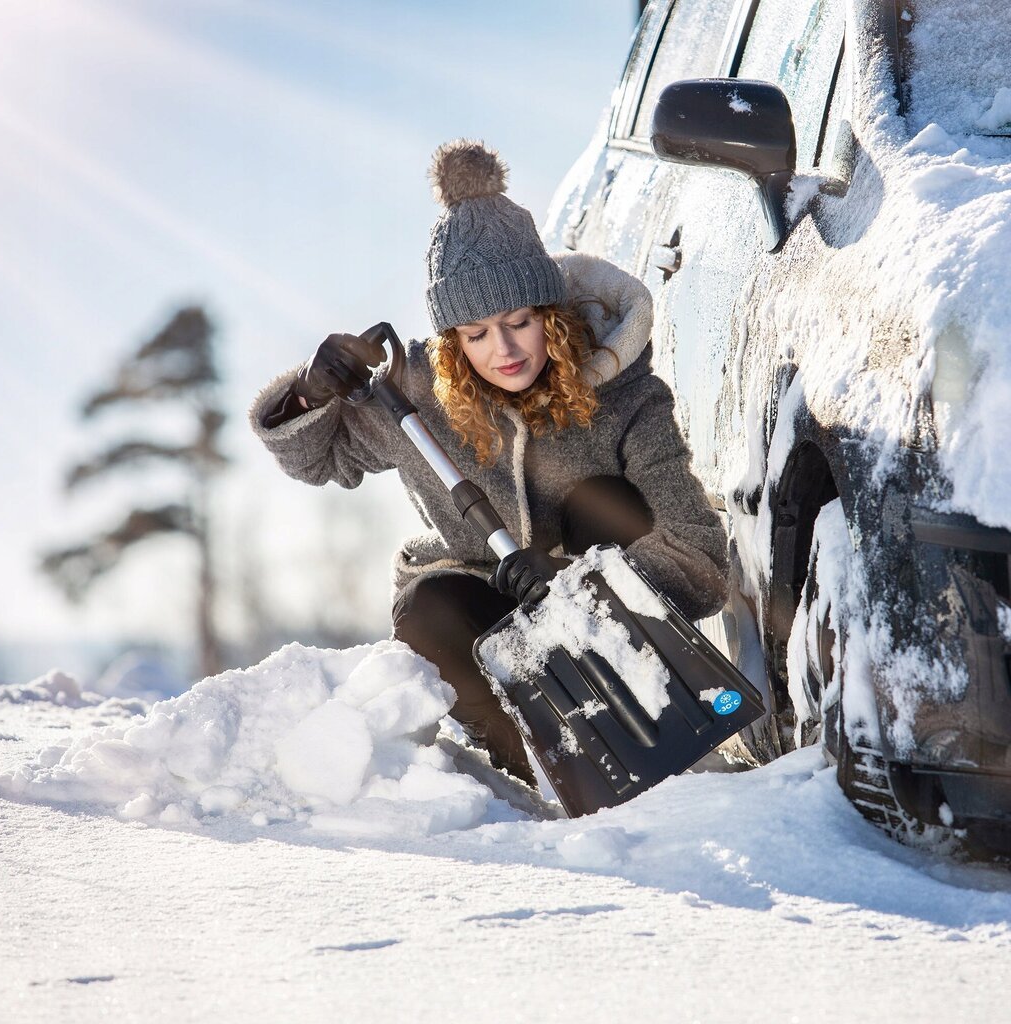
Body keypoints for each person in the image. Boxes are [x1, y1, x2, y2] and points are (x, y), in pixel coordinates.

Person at [250, 140, 729, 786]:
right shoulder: (417, 394)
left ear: (550, 315)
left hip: (617, 640)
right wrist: (312, 393)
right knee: (428, 605)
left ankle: (653, 751)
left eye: (519, 322)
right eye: (474, 335)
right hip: (492, 610)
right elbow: (319, 461)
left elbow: (699, 560)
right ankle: (541, 771)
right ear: (451, 341)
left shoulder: (623, 395)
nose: (502, 350)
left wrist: (579, 579)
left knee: (603, 506)